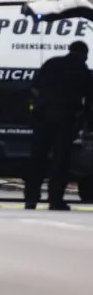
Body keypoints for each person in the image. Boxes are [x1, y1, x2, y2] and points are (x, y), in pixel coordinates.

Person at [25, 41, 92, 211]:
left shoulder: (52, 63)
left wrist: (39, 105)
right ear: (84, 54)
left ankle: (31, 198)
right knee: (60, 160)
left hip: (42, 117)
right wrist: (86, 122)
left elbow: (34, 87)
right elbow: (89, 98)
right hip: (66, 119)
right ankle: (55, 200)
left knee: (37, 158)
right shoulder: (82, 70)